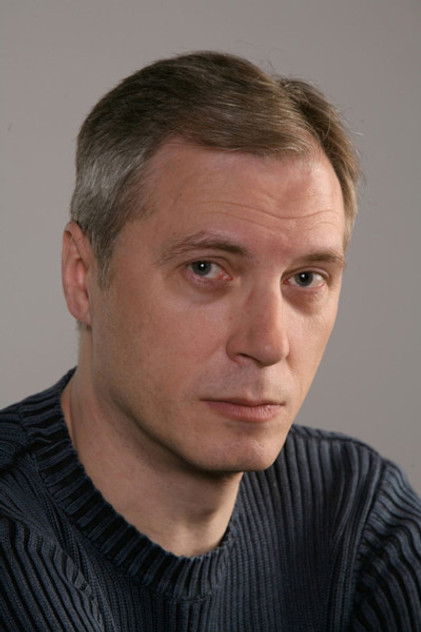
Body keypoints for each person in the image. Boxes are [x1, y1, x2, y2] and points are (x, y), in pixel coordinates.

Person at [0, 51, 420, 632]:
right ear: (83, 277)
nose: (268, 343)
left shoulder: (356, 513)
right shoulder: (15, 543)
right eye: (206, 268)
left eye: (305, 278)